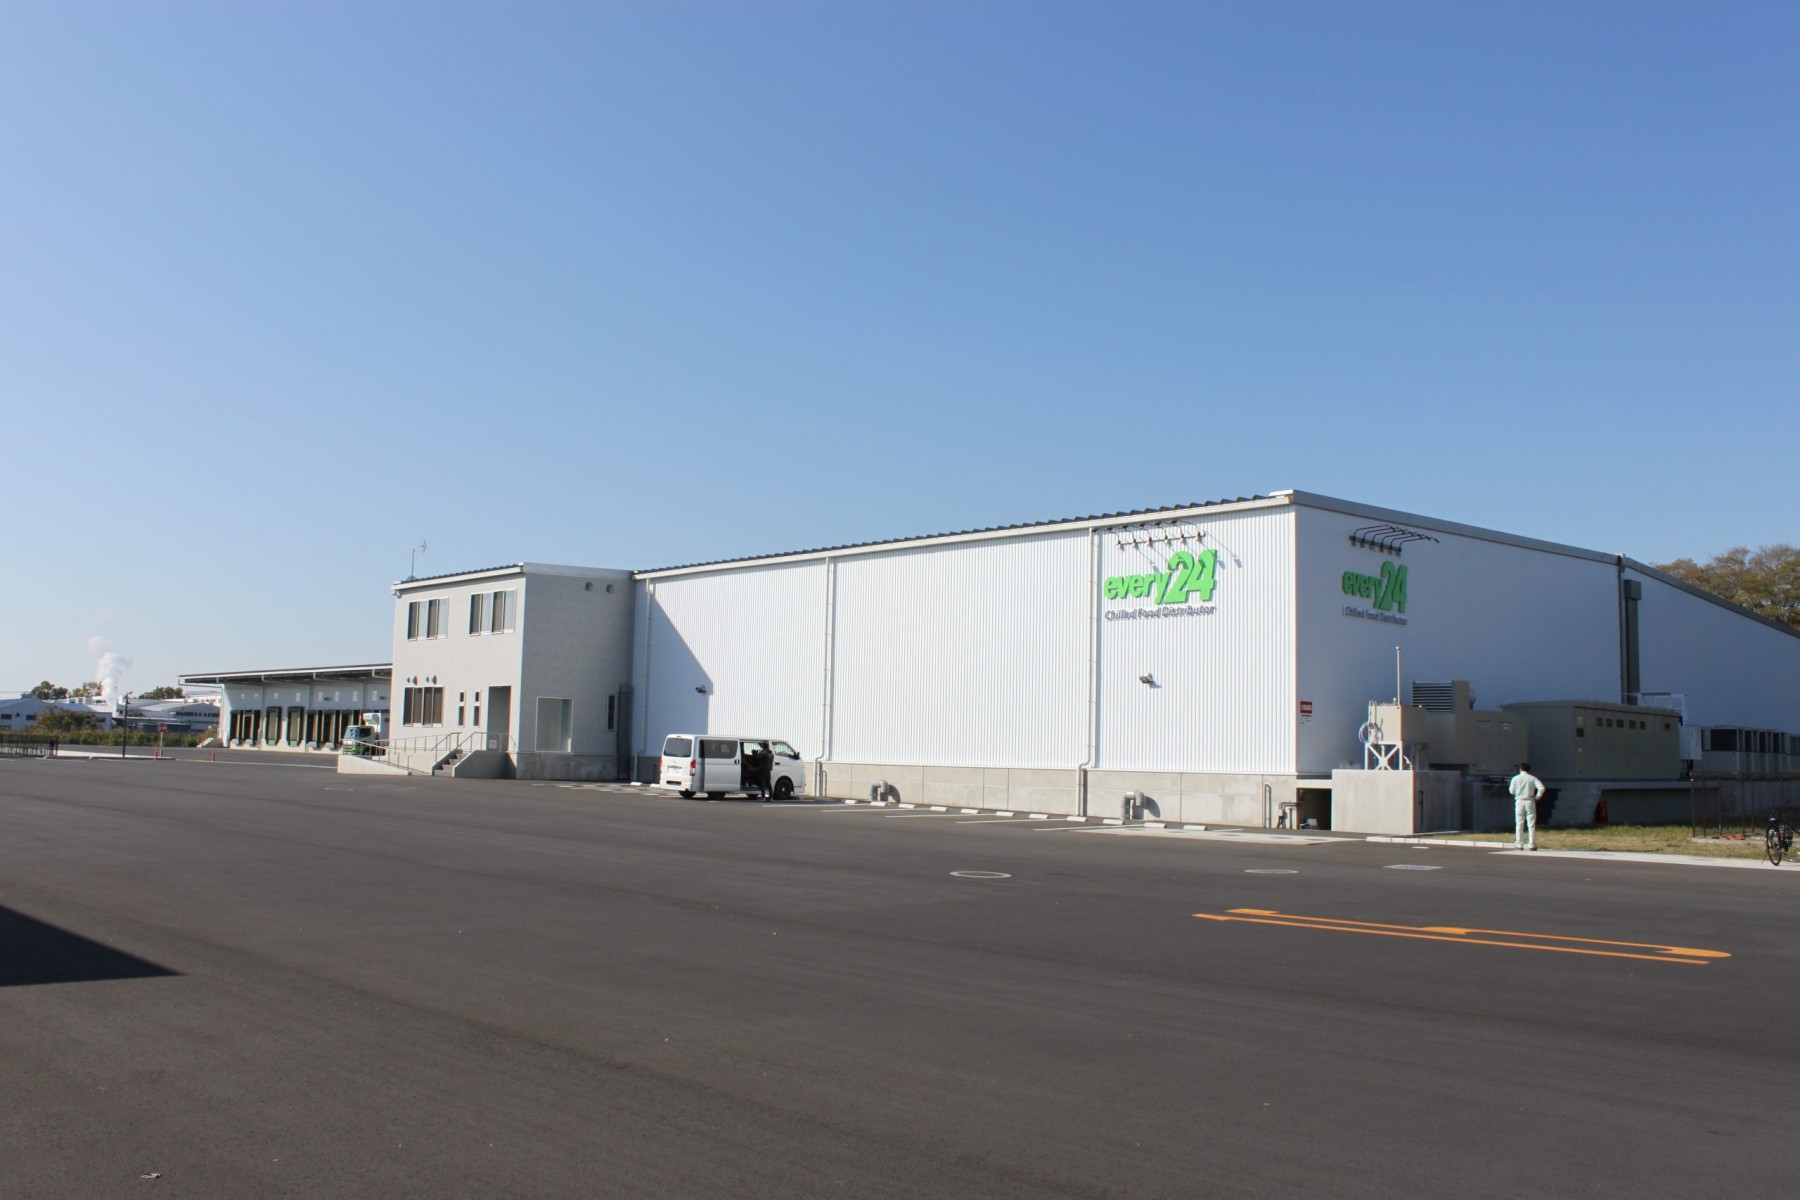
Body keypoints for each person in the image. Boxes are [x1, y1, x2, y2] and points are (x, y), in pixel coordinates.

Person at [1509, 761, 1545, 851]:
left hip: (1519, 801)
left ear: (1520, 769)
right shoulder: (1532, 778)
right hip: (1530, 801)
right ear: (1529, 769)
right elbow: (1541, 788)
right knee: (1531, 824)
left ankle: (1519, 844)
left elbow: (1511, 791)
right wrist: (1536, 797)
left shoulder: (1515, 778)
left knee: (1519, 823)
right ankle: (1531, 844)